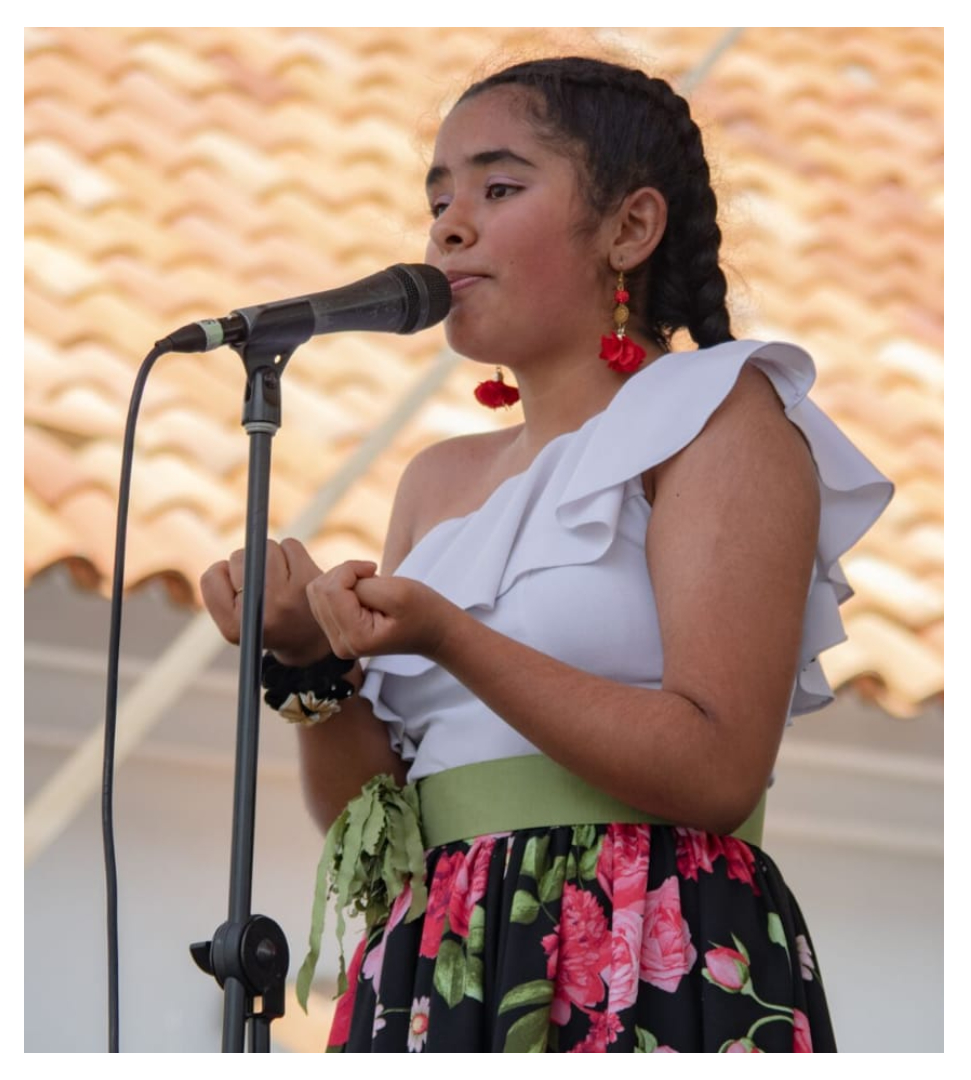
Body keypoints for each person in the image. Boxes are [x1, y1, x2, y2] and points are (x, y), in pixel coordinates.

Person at [200, 56, 891, 1053]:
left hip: (647, 936)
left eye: (498, 186)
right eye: (437, 197)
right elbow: (379, 827)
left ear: (630, 229)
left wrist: (450, 635)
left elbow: (716, 767)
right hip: (441, 963)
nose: (448, 226)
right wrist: (309, 663)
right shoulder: (435, 482)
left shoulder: (718, 415)